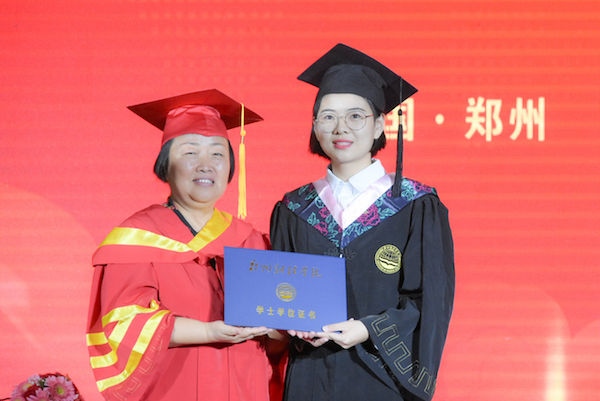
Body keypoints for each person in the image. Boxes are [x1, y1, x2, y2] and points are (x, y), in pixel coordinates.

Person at [270, 44, 455, 401]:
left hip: (380, 379)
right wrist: (293, 325)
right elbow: (281, 293)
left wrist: (367, 329)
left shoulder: (415, 205)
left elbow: (429, 302)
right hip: (310, 379)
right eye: (328, 117)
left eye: (355, 116)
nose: (341, 128)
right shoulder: (294, 208)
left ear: (378, 125)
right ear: (314, 126)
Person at [86, 89, 287, 401]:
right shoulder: (136, 238)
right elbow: (124, 325)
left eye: (218, 154)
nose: (206, 165)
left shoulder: (252, 241)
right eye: (190, 153)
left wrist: (282, 328)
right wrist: (208, 332)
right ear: (165, 165)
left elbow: (275, 346)